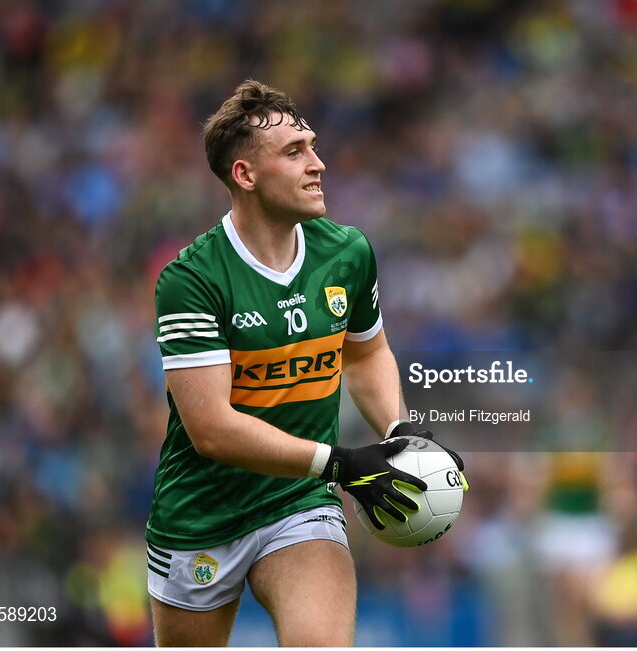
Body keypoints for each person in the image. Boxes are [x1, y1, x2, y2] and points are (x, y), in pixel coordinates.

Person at [146, 79, 463, 646]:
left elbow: (366, 353)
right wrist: (342, 462)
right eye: (294, 153)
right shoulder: (191, 280)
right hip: (199, 517)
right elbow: (211, 429)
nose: (318, 164)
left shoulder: (346, 252)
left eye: (312, 146)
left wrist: (399, 429)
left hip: (299, 501)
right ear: (244, 175)